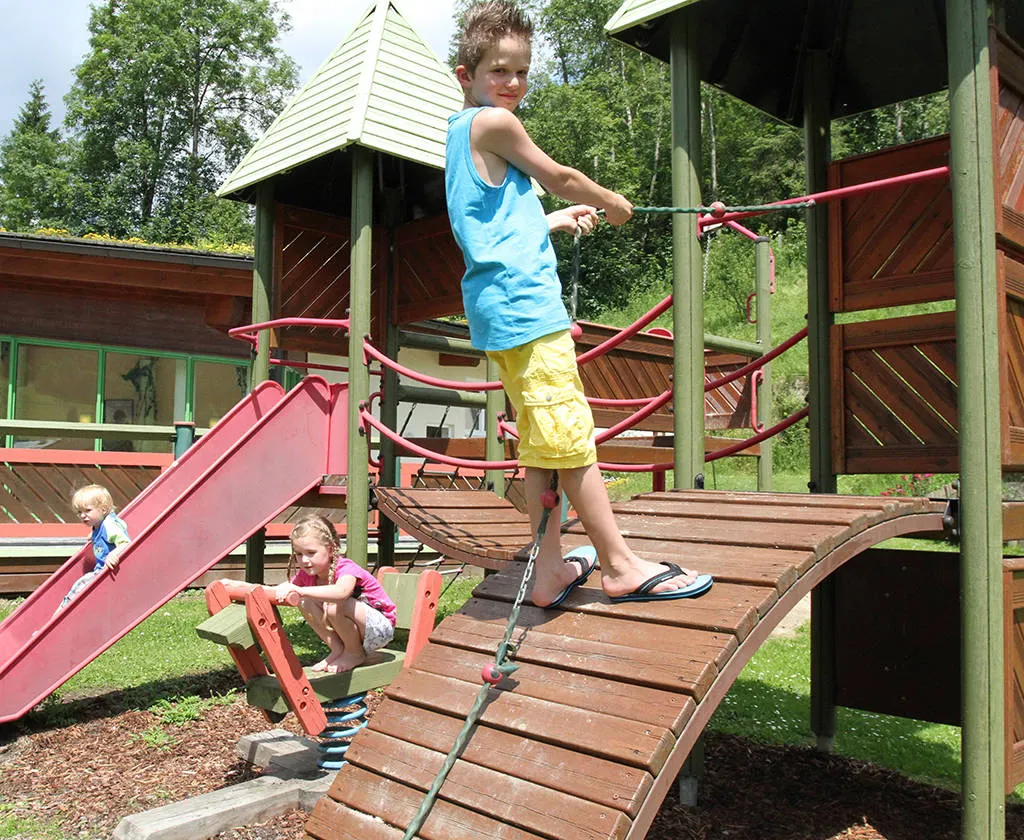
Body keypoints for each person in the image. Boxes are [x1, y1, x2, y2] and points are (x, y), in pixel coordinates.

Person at [446, 1, 713, 608]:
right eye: (498, 70)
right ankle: (620, 565)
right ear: (467, 75)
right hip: (525, 309)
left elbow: (489, 227)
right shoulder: (494, 124)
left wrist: (551, 221)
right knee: (569, 436)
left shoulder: (460, 136)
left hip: (500, 309)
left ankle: (548, 571)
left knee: (544, 441)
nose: (512, 83)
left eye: (521, 71)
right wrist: (612, 202)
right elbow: (560, 175)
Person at [272, 514, 397, 674]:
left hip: (379, 629)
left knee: (333, 604)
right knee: (305, 602)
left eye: (311, 552)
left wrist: (301, 590)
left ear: (330, 549)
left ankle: (354, 653)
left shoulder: (346, 568)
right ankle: (338, 649)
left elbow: (341, 592)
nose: (304, 560)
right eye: (299, 554)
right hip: (358, 630)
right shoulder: (307, 574)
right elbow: (287, 589)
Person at [58, 484, 131, 611]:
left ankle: (62, 612)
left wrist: (113, 554)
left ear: (103, 509)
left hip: (105, 571)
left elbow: (125, 543)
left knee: (80, 585)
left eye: (87, 511)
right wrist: (94, 535)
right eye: (79, 512)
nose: (82, 515)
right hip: (101, 571)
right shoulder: (98, 525)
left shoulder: (110, 525)